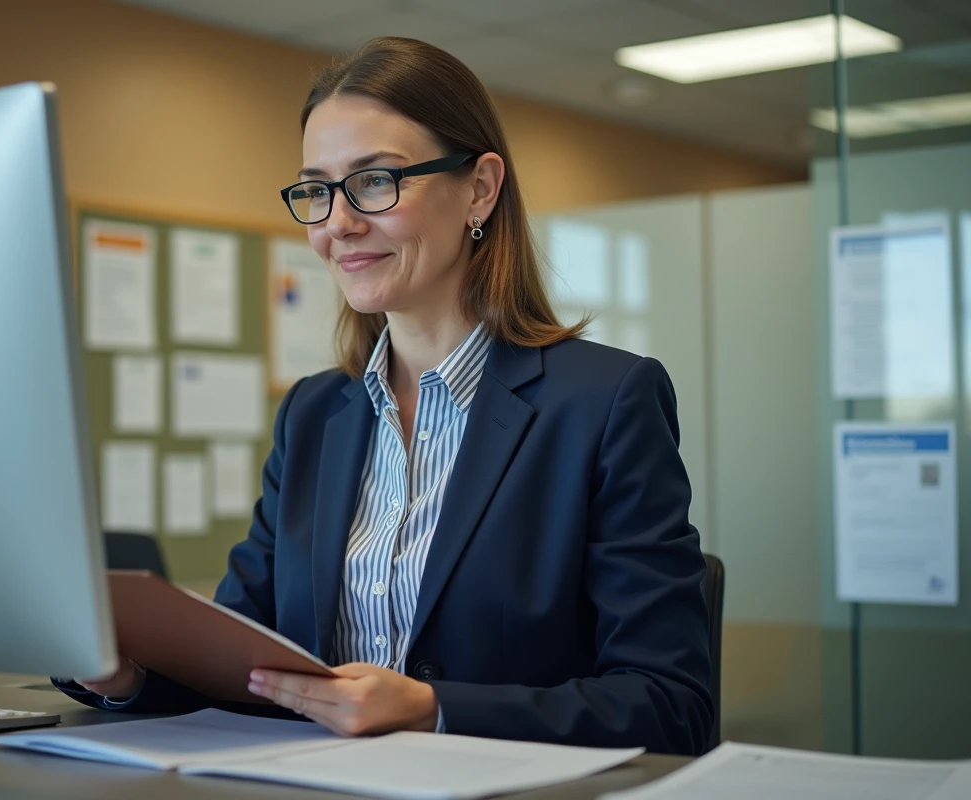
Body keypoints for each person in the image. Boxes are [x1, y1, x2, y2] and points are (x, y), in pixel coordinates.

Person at [57, 36, 714, 755]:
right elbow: (238, 669)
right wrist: (125, 676)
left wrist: (433, 709)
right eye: (316, 190)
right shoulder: (314, 415)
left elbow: (668, 703)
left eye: (375, 182)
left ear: (481, 189)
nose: (338, 223)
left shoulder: (605, 402)